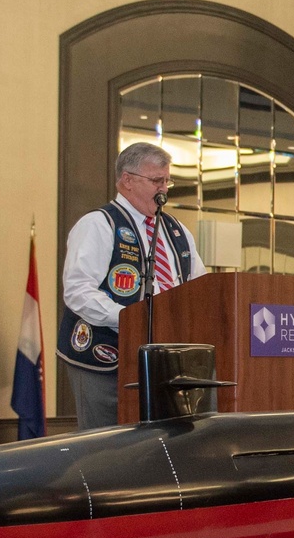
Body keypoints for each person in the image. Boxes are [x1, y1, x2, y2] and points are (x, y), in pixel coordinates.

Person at [58, 142, 208, 430]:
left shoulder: (177, 231)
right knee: (103, 447)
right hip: (104, 357)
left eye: (167, 180)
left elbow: (198, 289)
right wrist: (131, 319)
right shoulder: (98, 224)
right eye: (156, 181)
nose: (164, 189)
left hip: (165, 361)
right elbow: (78, 291)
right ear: (127, 180)